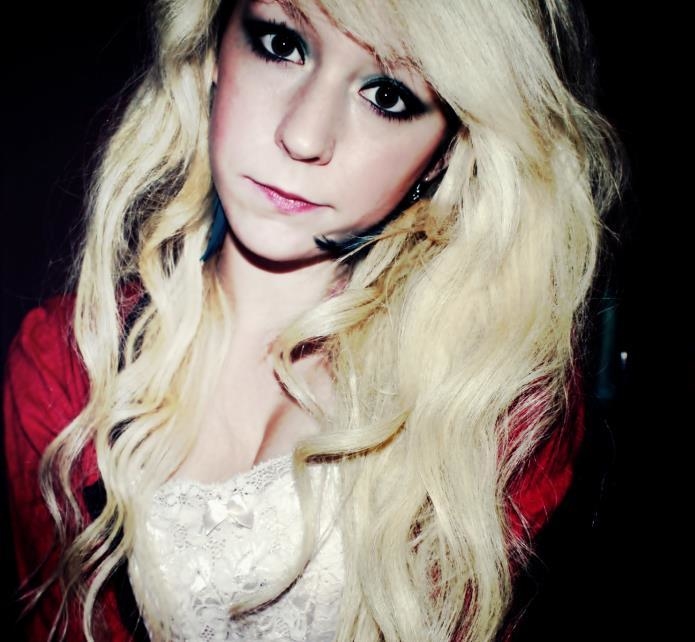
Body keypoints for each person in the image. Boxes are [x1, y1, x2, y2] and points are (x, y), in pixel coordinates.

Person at [4, 0, 622, 639]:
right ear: (214, 47)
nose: (303, 136)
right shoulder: (65, 370)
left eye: (386, 95)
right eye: (281, 45)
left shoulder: (489, 408)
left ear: (443, 153)